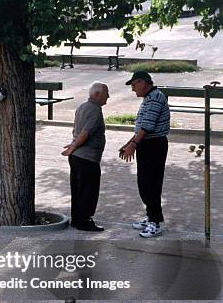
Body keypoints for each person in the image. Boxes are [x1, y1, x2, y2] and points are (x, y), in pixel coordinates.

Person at [120, 71, 170, 238]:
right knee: (144, 184)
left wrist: (134, 145)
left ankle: (155, 223)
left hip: (154, 145)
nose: (133, 89)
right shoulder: (149, 98)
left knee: (151, 185)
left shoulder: (155, 97)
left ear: (143, 82)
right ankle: (151, 216)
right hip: (146, 144)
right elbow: (141, 125)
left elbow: (147, 126)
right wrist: (129, 143)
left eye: (134, 85)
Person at [61, 82, 109, 232]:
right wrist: (74, 146)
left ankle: (77, 219)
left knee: (78, 190)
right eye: (106, 93)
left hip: (77, 157)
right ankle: (84, 221)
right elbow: (85, 133)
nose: (108, 97)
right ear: (97, 94)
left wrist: (73, 147)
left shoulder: (82, 107)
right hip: (87, 158)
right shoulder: (95, 111)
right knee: (89, 190)